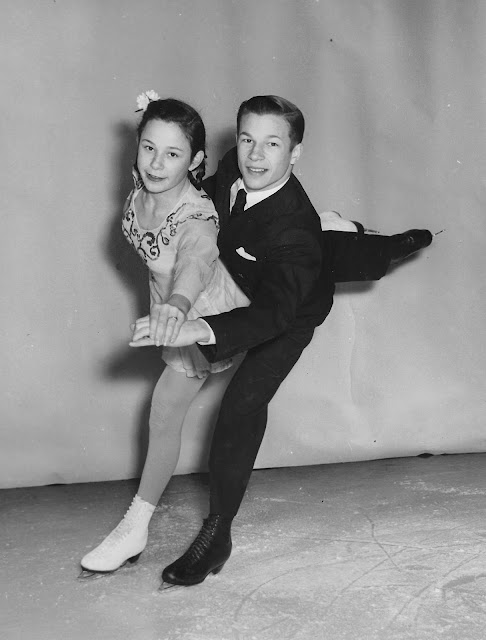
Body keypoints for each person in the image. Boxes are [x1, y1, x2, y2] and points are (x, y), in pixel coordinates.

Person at [129, 95, 433, 588]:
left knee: (243, 403)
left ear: (295, 153)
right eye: (247, 139)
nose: (253, 155)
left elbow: (272, 314)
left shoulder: (294, 233)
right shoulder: (234, 166)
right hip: (257, 265)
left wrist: (200, 328)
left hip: (287, 306)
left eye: (272, 144)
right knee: (329, 239)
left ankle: (218, 534)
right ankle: (344, 230)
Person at [79, 96, 252, 577]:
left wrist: (175, 309)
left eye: (173, 154)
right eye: (149, 148)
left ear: (195, 161)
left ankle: (135, 527)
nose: (156, 164)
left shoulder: (195, 219)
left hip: (206, 310)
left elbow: (194, 266)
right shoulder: (142, 186)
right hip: (171, 308)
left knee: (163, 411)